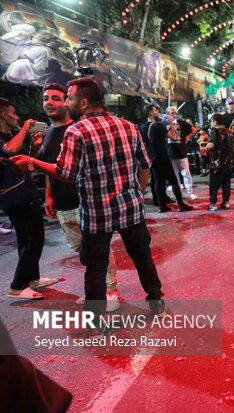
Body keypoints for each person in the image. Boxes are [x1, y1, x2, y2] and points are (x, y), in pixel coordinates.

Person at [12, 78, 166, 336]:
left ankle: (97, 321)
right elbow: (144, 164)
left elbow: (66, 172)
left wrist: (33, 162)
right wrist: (138, 192)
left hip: (97, 212)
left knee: (95, 267)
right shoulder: (127, 126)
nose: (67, 104)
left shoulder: (77, 131)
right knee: (142, 256)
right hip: (130, 208)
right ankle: (156, 301)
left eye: (69, 99)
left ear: (83, 103)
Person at [39, 83, 120, 310]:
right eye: (46, 98)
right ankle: (96, 291)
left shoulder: (80, 128)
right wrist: (49, 196)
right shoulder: (46, 134)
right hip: (62, 204)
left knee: (99, 249)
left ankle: (111, 291)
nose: (50, 102)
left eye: (56, 98)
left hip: (86, 202)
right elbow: (50, 168)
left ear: (68, 102)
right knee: (82, 252)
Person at [0, 98, 58, 300]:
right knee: (33, 241)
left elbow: (29, 163)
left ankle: (32, 279)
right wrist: (25, 128)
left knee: (29, 240)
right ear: (4, 115)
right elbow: (9, 150)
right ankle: (17, 286)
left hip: (27, 193)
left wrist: (34, 147)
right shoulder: (7, 140)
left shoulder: (12, 136)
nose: (17, 117)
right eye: (14, 113)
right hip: (14, 197)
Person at [144, 104, 193, 213]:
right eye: (156, 110)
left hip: (152, 157)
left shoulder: (145, 126)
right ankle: (180, 204)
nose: (158, 112)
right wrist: (171, 123)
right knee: (173, 180)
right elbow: (172, 136)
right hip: (162, 156)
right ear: (151, 113)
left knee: (158, 181)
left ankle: (162, 206)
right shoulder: (157, 125)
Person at [165, 106, 198, 199]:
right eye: (172, 113)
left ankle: (189, 192)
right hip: (170, 152)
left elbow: (194, 129)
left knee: (186, 173)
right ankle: (178, 194)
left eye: (175, 113)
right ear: (167, 114)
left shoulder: (182, 123)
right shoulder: (164, 124)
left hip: (181, 151)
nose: (174, 115)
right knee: (174, 175)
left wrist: (187, 138)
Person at [205, 113, 234, 211]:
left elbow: (211, 145)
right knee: (226, 184)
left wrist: (204, 148)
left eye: (211, 121)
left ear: (214, 122)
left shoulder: (213, 132)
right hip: (228, 162)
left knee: (214, 185)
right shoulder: (228, 132)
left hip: (217, 163)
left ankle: (213, 204)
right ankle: (226, 202)